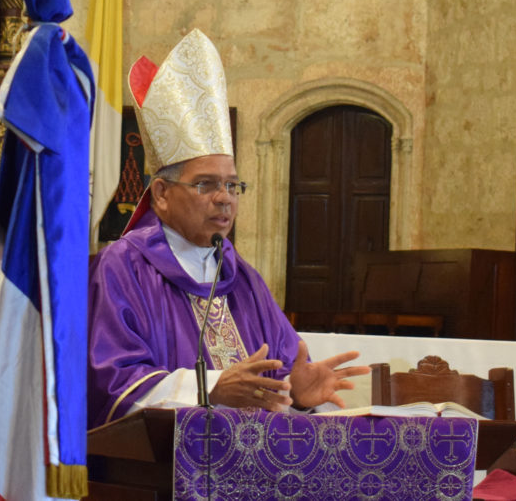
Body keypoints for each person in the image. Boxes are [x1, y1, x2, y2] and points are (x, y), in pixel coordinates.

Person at [88, 29, 369, 428]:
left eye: (232, 184)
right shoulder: (122, 269)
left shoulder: (242, 279)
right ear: (163, 193)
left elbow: (282, 382)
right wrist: (209, 389)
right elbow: (109, 386)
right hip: (159, 477)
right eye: (206, 184)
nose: (225, 198)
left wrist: (299, 393)